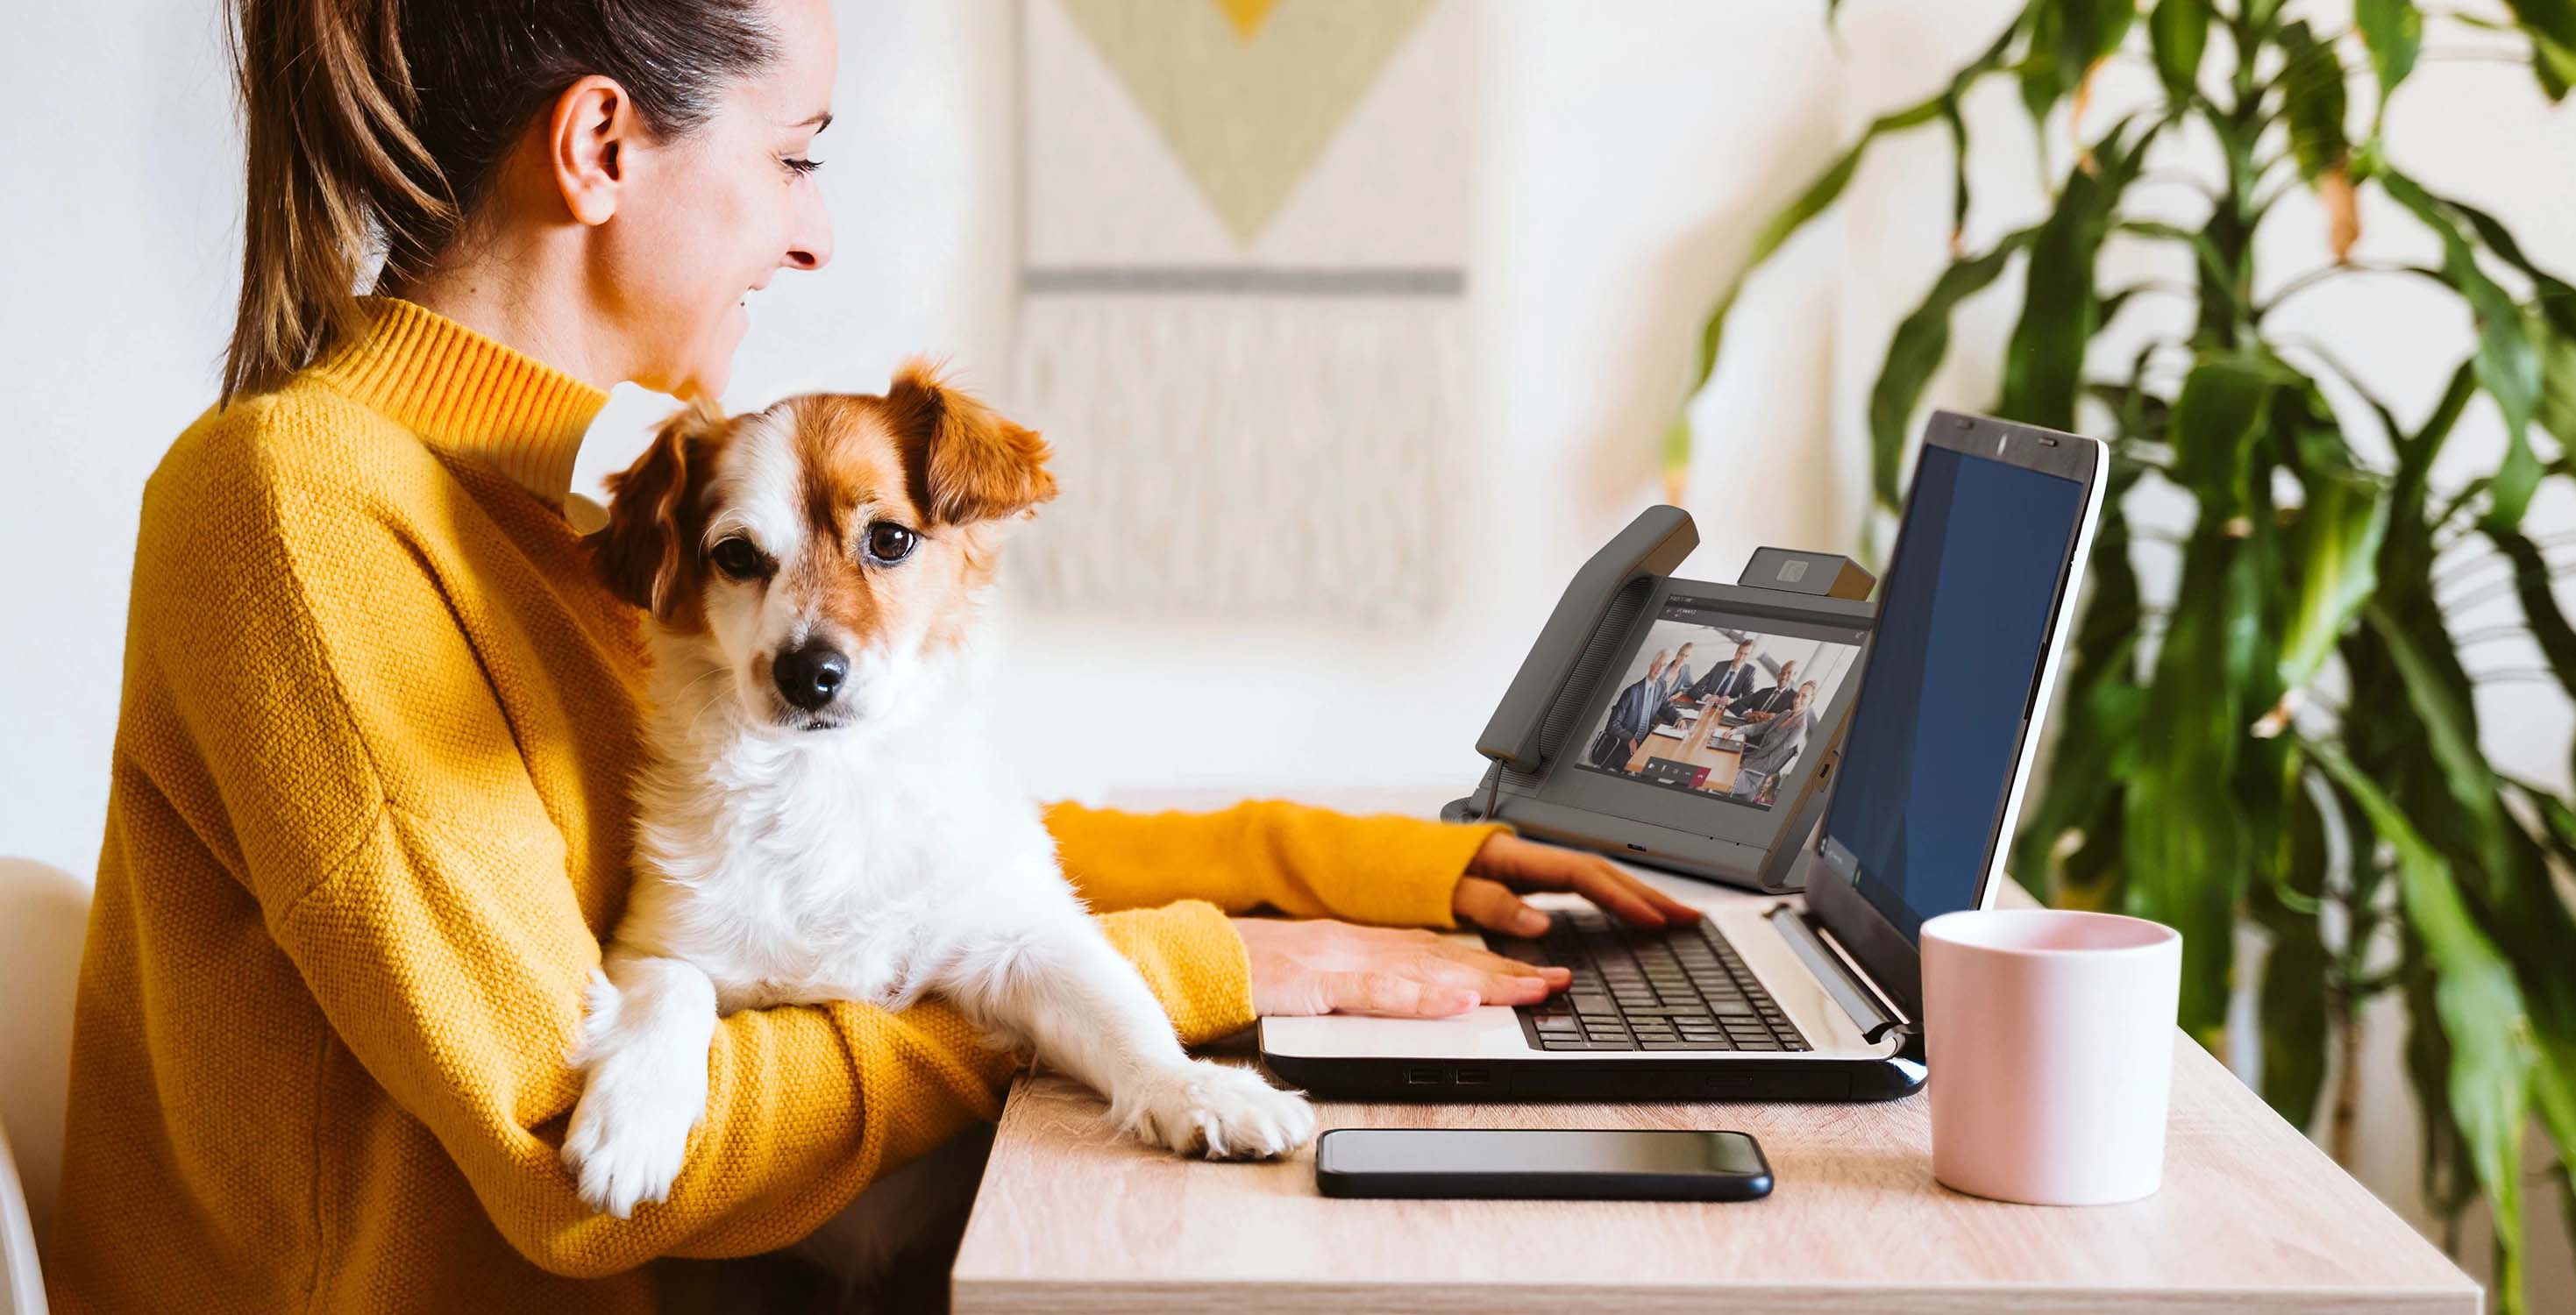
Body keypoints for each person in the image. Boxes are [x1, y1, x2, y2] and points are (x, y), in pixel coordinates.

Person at [47, 3, 1701, 1311]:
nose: (818, 235)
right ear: (604, 146)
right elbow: (584, 1162)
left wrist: (1360, 869)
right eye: (794, 158)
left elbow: (884, 855)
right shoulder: (299, 511)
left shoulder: (598, 507)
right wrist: (1178, 980)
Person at [1730, 680, 1820, 802]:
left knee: (1716, 777)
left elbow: (1772, 761)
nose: (1797, 700)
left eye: (1804, 696)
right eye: (1797, 695)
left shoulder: (1800, 727)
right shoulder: (1786, 713)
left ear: (1812, 699)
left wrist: (1742, 769)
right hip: (1750, 760)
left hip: (1755, 775)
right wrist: (1737, 731)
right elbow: (1761, 727)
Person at [1590, 650, 1671, 768]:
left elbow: (1666, 706)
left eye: (1664, 666)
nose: (1659, 669)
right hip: (1623, 744)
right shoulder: (1632, 692)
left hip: (1643, 741)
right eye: (1658, 664)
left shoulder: (1661, 685)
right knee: (1647, 768)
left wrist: (1679, 718)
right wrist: (1630, 738)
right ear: (1651, 665)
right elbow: (1612, 725)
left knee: (1661, 761)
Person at [1683, 638, 1766, 707]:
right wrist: (1708, 697)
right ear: (1736, 652)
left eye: (1745, 654)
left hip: (1726, 709)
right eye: (1740, 653)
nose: (1741, 657)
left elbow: (1749, 698)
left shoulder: (1749, 671)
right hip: (1707, 705)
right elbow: (1694, 690)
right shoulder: (1720, 666)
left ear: (1750, 656)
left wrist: (1732, 701)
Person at [1735, 658, 1801, 721]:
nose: (1784, 677)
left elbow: (1791, 718)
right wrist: (1747, 714)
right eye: (1782, 673)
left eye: (1789, 673)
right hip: (1747, 726)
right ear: (1778, 674)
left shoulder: (1794, 699)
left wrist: (1774, 717)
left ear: (1794, 675)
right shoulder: (1764, 692)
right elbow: (1738, 704)